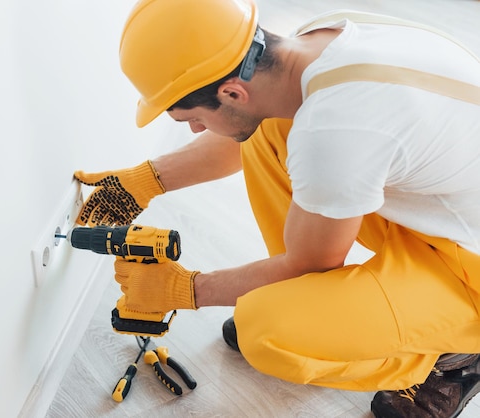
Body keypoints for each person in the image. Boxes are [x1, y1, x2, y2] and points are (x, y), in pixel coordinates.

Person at [73, 0, 480, 416]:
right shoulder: (319, 42)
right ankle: (317, 307)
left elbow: (310, 261)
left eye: (192, 118)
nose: (195, 129)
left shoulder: (336, 127)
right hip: (443, 210)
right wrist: (143, 181)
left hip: (469, 270)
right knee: (276, 125)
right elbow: (254, 124)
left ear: (232, 91)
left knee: (264, 331)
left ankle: (457, 358)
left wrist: (185, 290)